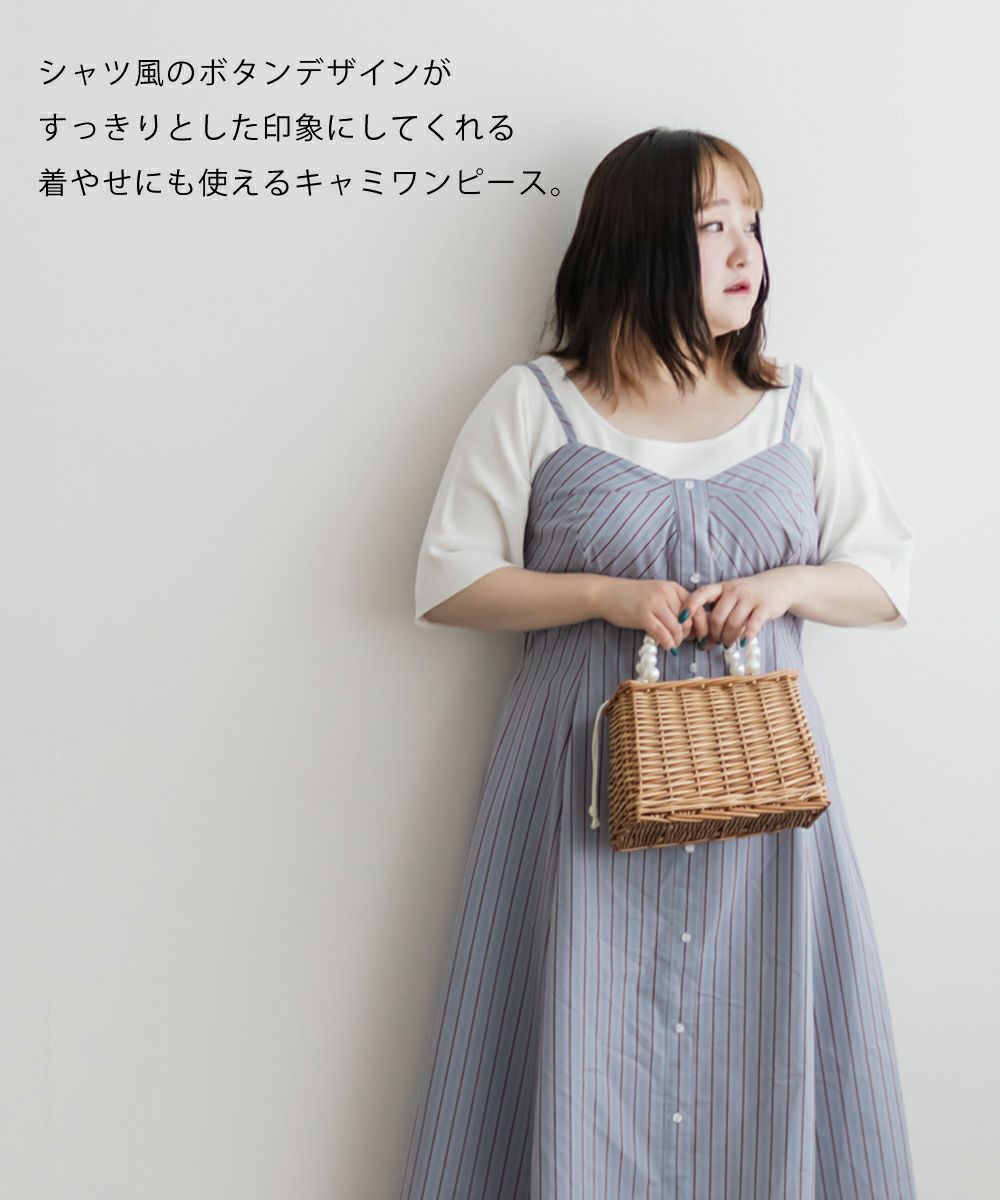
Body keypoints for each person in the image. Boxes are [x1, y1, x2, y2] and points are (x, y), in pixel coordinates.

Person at [399, 127, 917, 1199]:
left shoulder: (796, 406)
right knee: (572, 1043)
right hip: (578, 800)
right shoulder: (536, 402)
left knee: (764, 1042)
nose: (744, 252)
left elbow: (882, 579)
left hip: (765, 812)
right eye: (711, 226)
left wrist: (784, 586)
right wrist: (599, 595)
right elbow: (449, 580)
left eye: (751, 225)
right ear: (636, 246)